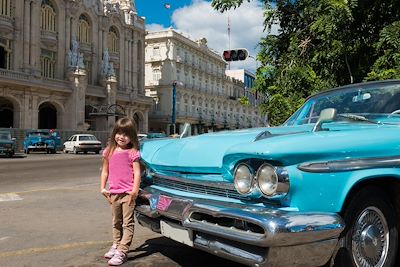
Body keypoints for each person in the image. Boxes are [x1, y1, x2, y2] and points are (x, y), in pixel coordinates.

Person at [100, 118, 141, 266]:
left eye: (126, 134)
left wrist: (134, 191)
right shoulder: (109, 151)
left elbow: (137, 173)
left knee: (127, 223)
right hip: (113, 193)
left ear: (132, 137)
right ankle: (116, 244)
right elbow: (105, 171)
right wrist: (103, 188)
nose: (121, 137)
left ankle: (122, 251)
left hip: (128, 193)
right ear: (114, 133)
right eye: (119, 133)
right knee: (116, 221)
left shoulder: (133, 153)